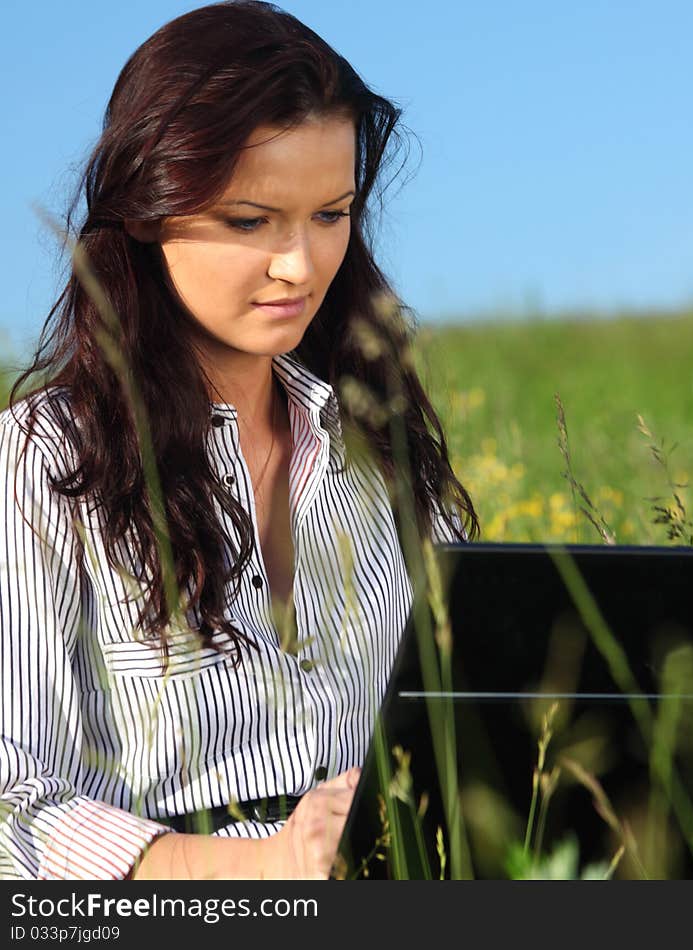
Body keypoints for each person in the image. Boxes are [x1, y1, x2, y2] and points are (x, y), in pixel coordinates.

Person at [0, 0, 477, 880]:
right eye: (251, 221)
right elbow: (8, 804)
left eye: (331, 215)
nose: (300, 265)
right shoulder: (43, 460)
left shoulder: (380, 445)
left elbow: (475, 719)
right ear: (148, 208)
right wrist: (266, 865)